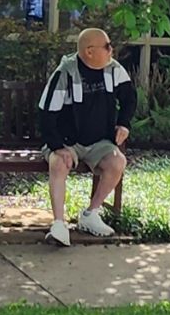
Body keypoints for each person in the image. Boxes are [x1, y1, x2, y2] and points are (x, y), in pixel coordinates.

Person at [37, 26, 136, 246]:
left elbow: (129, 97)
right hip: (66, 142)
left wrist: (124, 124)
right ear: (89, 51)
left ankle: (91, 214)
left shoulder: (114, 69)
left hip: (99, 142)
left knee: (118, 162)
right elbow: (46, 113)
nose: (112, 50)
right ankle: (59, 225)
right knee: (58, 164)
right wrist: (57, 146)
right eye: (107, 46)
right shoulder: (65, 73)